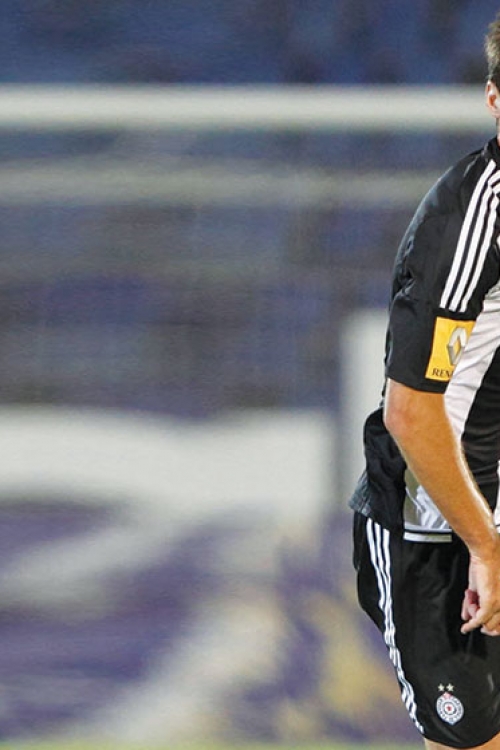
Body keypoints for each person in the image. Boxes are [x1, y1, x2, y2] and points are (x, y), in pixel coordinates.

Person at [350, 11, 500, 750]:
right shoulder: (474, 218)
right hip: (439, 532)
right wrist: (487, 547)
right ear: (495, 100)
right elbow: (410, 411)